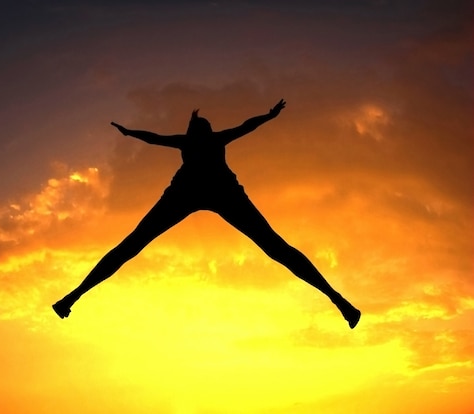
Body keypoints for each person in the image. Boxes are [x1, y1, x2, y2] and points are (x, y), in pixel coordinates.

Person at [53, 99, 361, 328]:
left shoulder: (206, 139)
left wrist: (268, 116)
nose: (205, 129)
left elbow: (244, 126)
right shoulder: (195, 140)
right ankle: (73, 296)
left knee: (276, 247)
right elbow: (154, 137)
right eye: (201, 127)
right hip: (188, 193)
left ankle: (339, 300)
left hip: (221, 192)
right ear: (195, 132)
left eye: (206, 127)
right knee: (131, 245)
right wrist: (130, 133)